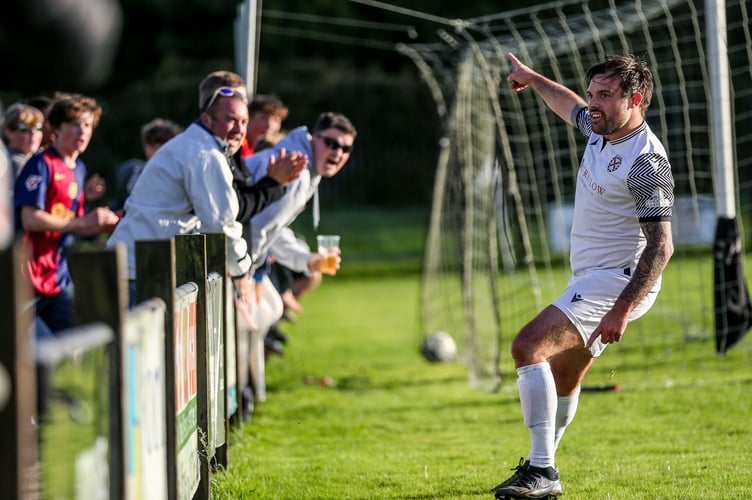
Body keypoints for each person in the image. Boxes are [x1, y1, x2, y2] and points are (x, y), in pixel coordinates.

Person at [489, 54, 675, 499]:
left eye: (605, 96)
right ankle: (539, 468)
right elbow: (568, 105)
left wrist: (622, 309)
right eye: (593, 93)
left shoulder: (646, 161)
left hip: (618, 282)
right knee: (563, 375)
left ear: (636, 99)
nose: (593, 104)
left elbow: (661, 247)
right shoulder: (600, 128)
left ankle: (542, 472)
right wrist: (533, 80)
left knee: (527, 346)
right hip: (591, 279)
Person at [106, 71, 305, 306]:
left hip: (141, 266)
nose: (238, 129)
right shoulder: (206, 154)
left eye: (243, 122)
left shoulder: (199, 145)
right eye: (230, 119)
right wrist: (242, 269)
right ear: (207, 120)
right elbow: (221, 224)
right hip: (138, 272)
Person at [14, 94, 120, 334]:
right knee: (34, 358)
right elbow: (30, 218)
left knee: (86, 345)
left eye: (87, 125)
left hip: (57, 278)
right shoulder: (41, 163)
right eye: (74, 124)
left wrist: (106, 222)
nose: (82, 131)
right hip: (26, 279)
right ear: (56, 129)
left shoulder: (79, 169)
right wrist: (84, 222)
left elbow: (74, 225)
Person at [111, 117, 183, 213]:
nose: (151, 149)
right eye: (149, 142)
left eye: (161, 142)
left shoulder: (181, 176)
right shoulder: (134, 172)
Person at [1, 103, 45, 179]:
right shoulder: (12, 163)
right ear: (8, 132)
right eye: (24, 128)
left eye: (38, 128)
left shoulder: (40, 159)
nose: (33, 133)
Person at [241, 94, 289, 159]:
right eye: (264, 118)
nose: (270, 125)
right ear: (249, 118)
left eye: (276, 120)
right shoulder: (237, 147)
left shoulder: (282, 151)